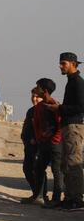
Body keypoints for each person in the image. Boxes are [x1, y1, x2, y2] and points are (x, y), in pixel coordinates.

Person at [43, 52, 84, 211]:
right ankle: (69, 198)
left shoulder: (78, 82)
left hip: (74, 126)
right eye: (60, 63)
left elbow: (81, 107)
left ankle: (77, 200)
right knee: (66, 163)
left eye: (64, 63)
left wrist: (59, 108)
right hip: (68, 126)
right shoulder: (71, 82)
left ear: (73, 64)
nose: (61, 66)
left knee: (74, 163)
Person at [32, 78, 63, 207]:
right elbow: (37, 124)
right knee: (39, 168)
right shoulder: (39, 106)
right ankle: (40, 195)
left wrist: (55, 140)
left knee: (57, 171)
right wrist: (40, 138)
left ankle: (56, 199)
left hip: (55, 144)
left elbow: (61, 125)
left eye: (37, 87)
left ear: (45, 91)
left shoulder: (55, 105)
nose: (35, 90)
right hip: (44, 143)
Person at [21, 91, 43, 203]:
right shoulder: (31, 111)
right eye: (33, 96)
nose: (34, 99)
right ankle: (36, 194)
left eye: (37, 97)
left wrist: (37, 140)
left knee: (38, 170)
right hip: (29, 146)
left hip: (39, 146)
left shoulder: (45, 111)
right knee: (27, 168)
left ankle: (40, 196)